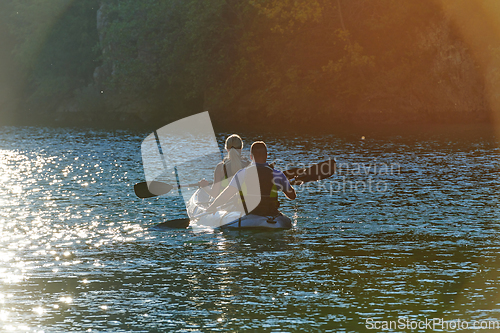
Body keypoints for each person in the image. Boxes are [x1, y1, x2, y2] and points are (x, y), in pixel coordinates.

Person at [206, 141, 296, 216]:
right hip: (269, 212)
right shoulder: (278, 174)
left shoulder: (242, 173)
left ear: (251, 157)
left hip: (246, 214)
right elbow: (292, 196)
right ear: (266, 155)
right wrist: (286, 184)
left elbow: (226, 196)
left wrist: (212, 207)